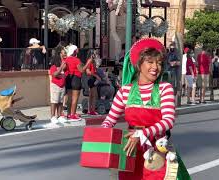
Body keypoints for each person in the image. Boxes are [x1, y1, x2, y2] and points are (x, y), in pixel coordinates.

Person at [101, 38, 190, 179]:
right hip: (129, 152)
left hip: (157, 151)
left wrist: (142, 134)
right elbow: (109, 120)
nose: (155, 67)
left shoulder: (164, 88)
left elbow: (168, 120)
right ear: (139, 64)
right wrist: (103, 135)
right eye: (150, 62)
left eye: (159, 63)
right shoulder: (125, 91)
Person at [64, 45, 91, 121]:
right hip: (76, 79)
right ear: (74, 51)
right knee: (75, 98)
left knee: (69, 98)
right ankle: (73, 114)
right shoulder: (76, 60)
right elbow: (81, 70)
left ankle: (69, 114)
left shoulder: (67, 59)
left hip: (68, 78)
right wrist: (88, 63)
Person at [49, 48, 67, 124]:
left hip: (62, 85)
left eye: (65, 53)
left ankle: (59, 116)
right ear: (59, 54)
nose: (64, 54)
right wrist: (61, 67)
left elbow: (65, 73)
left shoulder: (64, 63)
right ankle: (53, 116)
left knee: (60, 101)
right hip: (55, 85)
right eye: (63, 53)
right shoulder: (54, 65)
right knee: (54, 101)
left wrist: (64, 65)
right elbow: (54, 74)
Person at [85, 50, 101, 115]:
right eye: (94, 54)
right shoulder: (89, 61)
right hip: (90, 78)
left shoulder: (93, 61)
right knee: (91, 95)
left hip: (93, 78)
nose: (95, 55)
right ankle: (90, 110)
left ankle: (92, 110)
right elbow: (88, 71)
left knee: (93, 95)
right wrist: (96, 76)